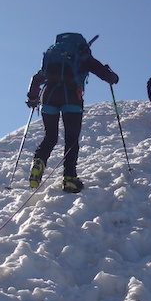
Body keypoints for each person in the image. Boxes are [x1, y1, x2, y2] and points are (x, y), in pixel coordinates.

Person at [26, 33, 119, 193]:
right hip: (71, 96)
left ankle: (38, 162)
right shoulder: (82, 54)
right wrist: (113, 77)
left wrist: (33, 98)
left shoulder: (54, 56)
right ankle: (69, 178)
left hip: (48, 94)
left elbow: (37, 77)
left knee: (50, 136)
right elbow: (103, 72)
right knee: (71, 138)